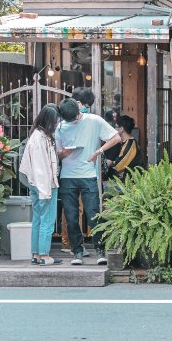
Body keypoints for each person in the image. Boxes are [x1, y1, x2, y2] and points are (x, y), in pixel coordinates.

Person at [56, 95, 120, 266]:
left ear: (79, 108)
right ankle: (77, 251)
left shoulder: (93, 120)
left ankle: (100, 249)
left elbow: (116, 137)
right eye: (71, 120)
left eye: (76, 117)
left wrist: (98, 151)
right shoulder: (60, 126)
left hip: (88, 175)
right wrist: (64, 153)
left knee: (94, 214)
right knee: (71, 217)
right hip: (67, 176)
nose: (75, 121)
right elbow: (57, 153)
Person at [19, 104, 62, 266]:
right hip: (45, 185)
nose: (57, 123)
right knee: (47, 220)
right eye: (55, 120)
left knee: (38, 218)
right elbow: (40, 168)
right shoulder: (39, 138)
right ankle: (44, 255)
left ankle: (36, 254)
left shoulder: (38, 135)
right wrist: (46, 191)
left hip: (37, 184)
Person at [104, 115, 141, 181]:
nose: (114, 129)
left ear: (121, 129)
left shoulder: (130, 145)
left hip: (129, 183)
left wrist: (111, 163)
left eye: (116, 127)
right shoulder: (123, 143)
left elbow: (118, 166)